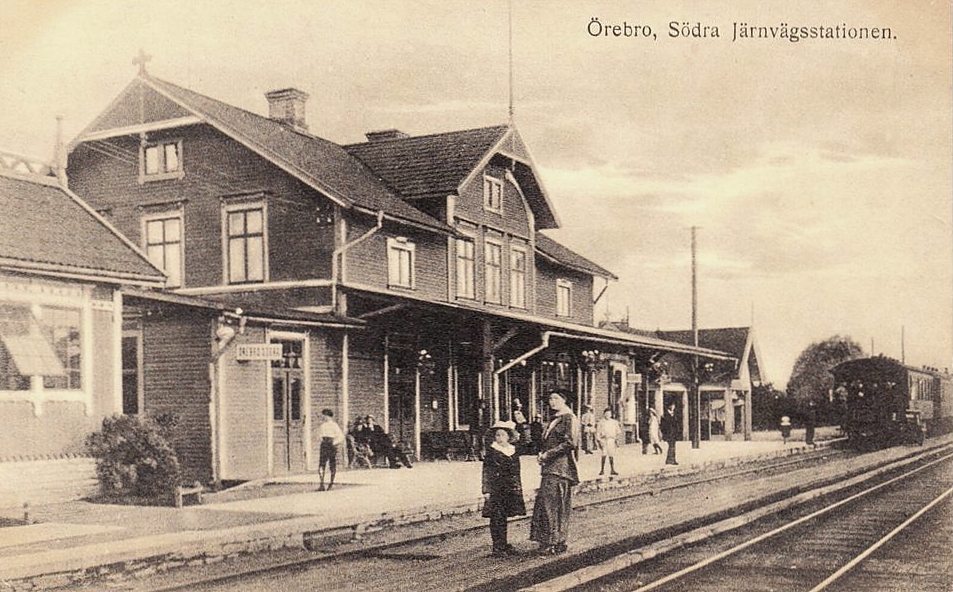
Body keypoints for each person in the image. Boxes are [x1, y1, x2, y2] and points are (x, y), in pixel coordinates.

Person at [529, 392, 579, 555]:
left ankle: (553, 541)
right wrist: (541, 453)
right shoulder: (554, 418)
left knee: (552, 503)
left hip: (560, 468)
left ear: (564, 400)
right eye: (550, 399)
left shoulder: (569, 418)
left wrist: (547, 455)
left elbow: (570, 443)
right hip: (550, 466)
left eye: (556, 398)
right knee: (547, 503)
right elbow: (547, 441)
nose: (552, 402)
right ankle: (551, 540)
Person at [482, 420, 526, 556]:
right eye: (497, 436)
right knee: (497, 517)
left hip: (510, 488)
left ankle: (504, 544)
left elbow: (528, 443)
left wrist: (522, 423)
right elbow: (487, 471)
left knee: (504, 515)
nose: (499, 438)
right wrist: (486, 489)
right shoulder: (492, 451)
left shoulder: (513, 450)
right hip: (496, 489)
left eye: (502, 435)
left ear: (509, 437)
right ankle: (497, 546)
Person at [317, 409, 345, 491]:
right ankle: (321, 483)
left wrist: (334, 443)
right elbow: (319, 435)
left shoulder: (334, 425)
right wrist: (322, 440)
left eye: (324, 416)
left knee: (332, 463)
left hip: (331, 445)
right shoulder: (322, 426)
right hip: (324, 445)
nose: (323, 417)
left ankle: (331, 483)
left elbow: (341, 436)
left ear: (327, 416)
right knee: (321, 463)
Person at [596, 407, 622, 476]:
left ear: (611, 414)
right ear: (604, 414)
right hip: (604, 440)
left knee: (611, 455)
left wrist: (616, 439)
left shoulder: (614, 422)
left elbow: (618, 431)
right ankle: (602, 470)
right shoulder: (601, 422)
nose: (607, 415)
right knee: (604, 454)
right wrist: (598, 441)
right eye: (606, 414)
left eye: (609, 414)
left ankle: (612, 469)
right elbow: (598, 432)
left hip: (611, 440)